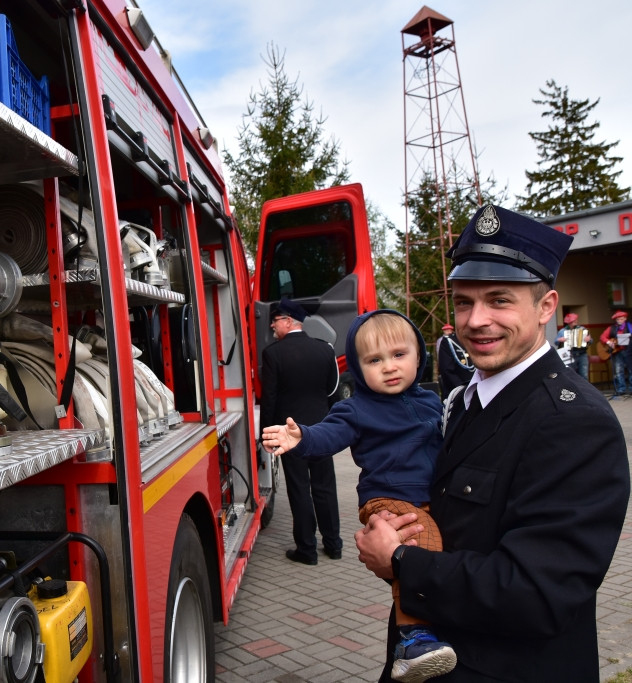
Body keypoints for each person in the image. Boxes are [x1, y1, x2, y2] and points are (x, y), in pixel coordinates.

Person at [355, 203, 630, 682]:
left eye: (500, 300)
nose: (476, 320)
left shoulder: (573, 420)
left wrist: (400, 561)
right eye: (464, 301)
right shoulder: (467, 400)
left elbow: (538, 593)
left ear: (546, 307)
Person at [263, 310, 456, 682]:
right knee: (421, 549)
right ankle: (411, 640)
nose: (388, 367)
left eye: (399, 355)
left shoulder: (432, 402)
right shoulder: (357, 408)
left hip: (427, 498)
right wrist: (301, 437)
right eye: (374, 360)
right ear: (357, 366)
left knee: (432, 554)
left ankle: (428, 626)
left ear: (420, 355)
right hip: (388, 500)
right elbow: (329, 434)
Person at [259, 297, 342, 565]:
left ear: (287, 321)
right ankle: (334, 544)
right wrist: (331, 425)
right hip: (321, 430)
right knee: (325, 487)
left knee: (299, 489)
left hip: (289, 432)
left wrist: (267, 435)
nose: (272, 326)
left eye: (275, 321)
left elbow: (269, 398)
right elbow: (333, 392)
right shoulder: (325, 350)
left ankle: (307, 549)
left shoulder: (273, 354)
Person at [435, 323, 474, 396]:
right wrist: (463, 390)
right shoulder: (447, 341)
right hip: (459, 390)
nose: (448, 331)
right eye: (446, 330)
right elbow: (446, 369)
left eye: (449, 329)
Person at [600, 310, 632, 399]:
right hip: (617, 352)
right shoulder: (612, 328)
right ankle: (621, 389)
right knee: (618, 371)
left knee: (631, 370)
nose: (619, 321)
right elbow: (602, 337)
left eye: (621, 319)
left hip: (628, 351)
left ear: (625, 319)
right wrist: (608, 342)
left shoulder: (630, 326)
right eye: (618, 319)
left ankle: (631, 389)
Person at [554, 312, 592, 380]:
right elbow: (556, 342)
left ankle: (584, 390)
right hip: (569, 354)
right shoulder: (562, 331)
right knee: (571, 375)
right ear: (568, 323)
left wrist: (588, 339)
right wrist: (560, 340)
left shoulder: (583, 329)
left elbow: (591, 341)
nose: (574, 322)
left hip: (582, 354)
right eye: (572, 321)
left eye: (574, 321)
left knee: (584, 375)